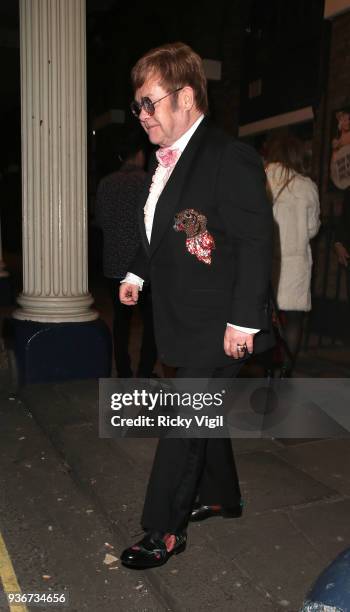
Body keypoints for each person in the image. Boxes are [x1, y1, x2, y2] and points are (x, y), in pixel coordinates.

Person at [119, 42, 274, 569]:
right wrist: (137, 272)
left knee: (184, 420)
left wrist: (245, 321)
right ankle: (221, 496)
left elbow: (255, 242)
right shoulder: (166, 161)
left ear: (185, 96)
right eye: (137, 105)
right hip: (181, 319)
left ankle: (163, 529)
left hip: (220, 323)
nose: (142, 115)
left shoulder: (226, 156)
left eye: (150, 103)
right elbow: (159, 229)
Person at [95, 134, 157, 377]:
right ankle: (144, 371)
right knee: (150, 322)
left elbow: (99, 220)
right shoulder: (148, 182)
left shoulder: (106, 183)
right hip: (142, 266)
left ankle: (123, 370)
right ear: (140, 155)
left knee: (121, 321)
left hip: (113, 263)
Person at [265, 135, 321, 376]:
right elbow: (312, 229)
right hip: (295, 263)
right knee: (294, 320)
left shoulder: (262, 177)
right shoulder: (307, 186)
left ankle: (265, 364)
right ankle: (285, 370)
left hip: (267, 260)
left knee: (264, 316)